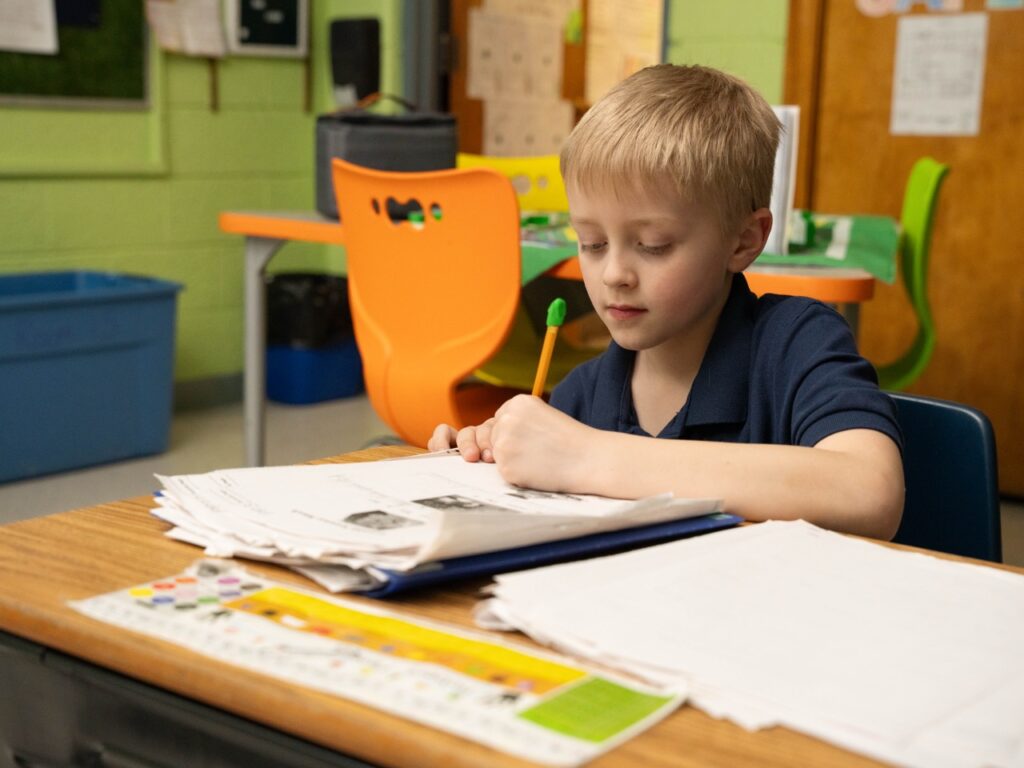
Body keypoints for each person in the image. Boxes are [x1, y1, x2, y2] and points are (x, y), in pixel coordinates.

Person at [428, 64, 904, 539]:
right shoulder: (582, 395)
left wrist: (590, 457)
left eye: (653, 244)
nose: (614, 274)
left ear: (742, 240)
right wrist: (487, 454)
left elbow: (870, 493)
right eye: (591, 242)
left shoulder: (795, 342)